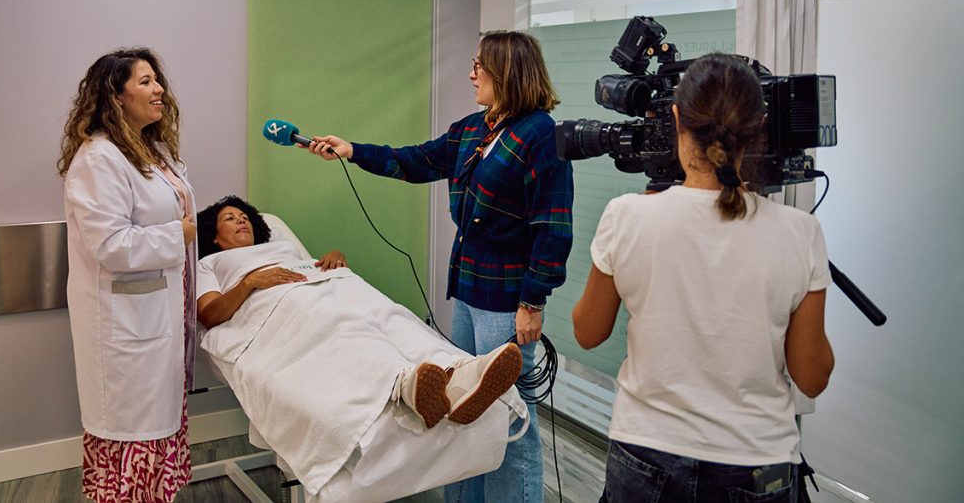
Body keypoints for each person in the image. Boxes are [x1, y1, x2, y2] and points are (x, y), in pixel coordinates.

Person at [306, 30, 574, 502]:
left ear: (506, 72)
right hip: (468, 289)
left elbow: (552, 228)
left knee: (509, 419)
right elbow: (417, 161)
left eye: (479, 66)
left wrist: (532, 301)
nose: (471, 75)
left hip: (508, 300)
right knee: (463, 411)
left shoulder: (540, 136)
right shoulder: (475, 128)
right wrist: (353, 150)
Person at [572, 53, 835, 503]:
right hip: (755, 464)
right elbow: (812, 377)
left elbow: (587, 331)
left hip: (646, 454)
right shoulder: (800, 232)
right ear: (760, 127)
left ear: (677, 119)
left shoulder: (627, 216)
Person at [195, 195, 523, 430]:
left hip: (323, 283)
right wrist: (250, 282)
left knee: (388, 314)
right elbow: (209, 314)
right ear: (214, 237)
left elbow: (309, 265)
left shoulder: (280, 247)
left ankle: (460, 371)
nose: (241, 220)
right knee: (342, 323)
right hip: (279, 300)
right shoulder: (210, 263)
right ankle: (405, 383)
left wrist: (331, 257)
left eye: (244, 216)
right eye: (230, 218)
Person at [58, 47, 197, 503]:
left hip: (156, 316)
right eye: (145, 81)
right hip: (126, 326)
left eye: (158, 80)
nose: (160, 90)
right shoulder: (99, 158)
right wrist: (178, 234)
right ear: (116, 96)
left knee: (156, 428)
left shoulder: (149, 151)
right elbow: (111, 245)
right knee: (132, 435)